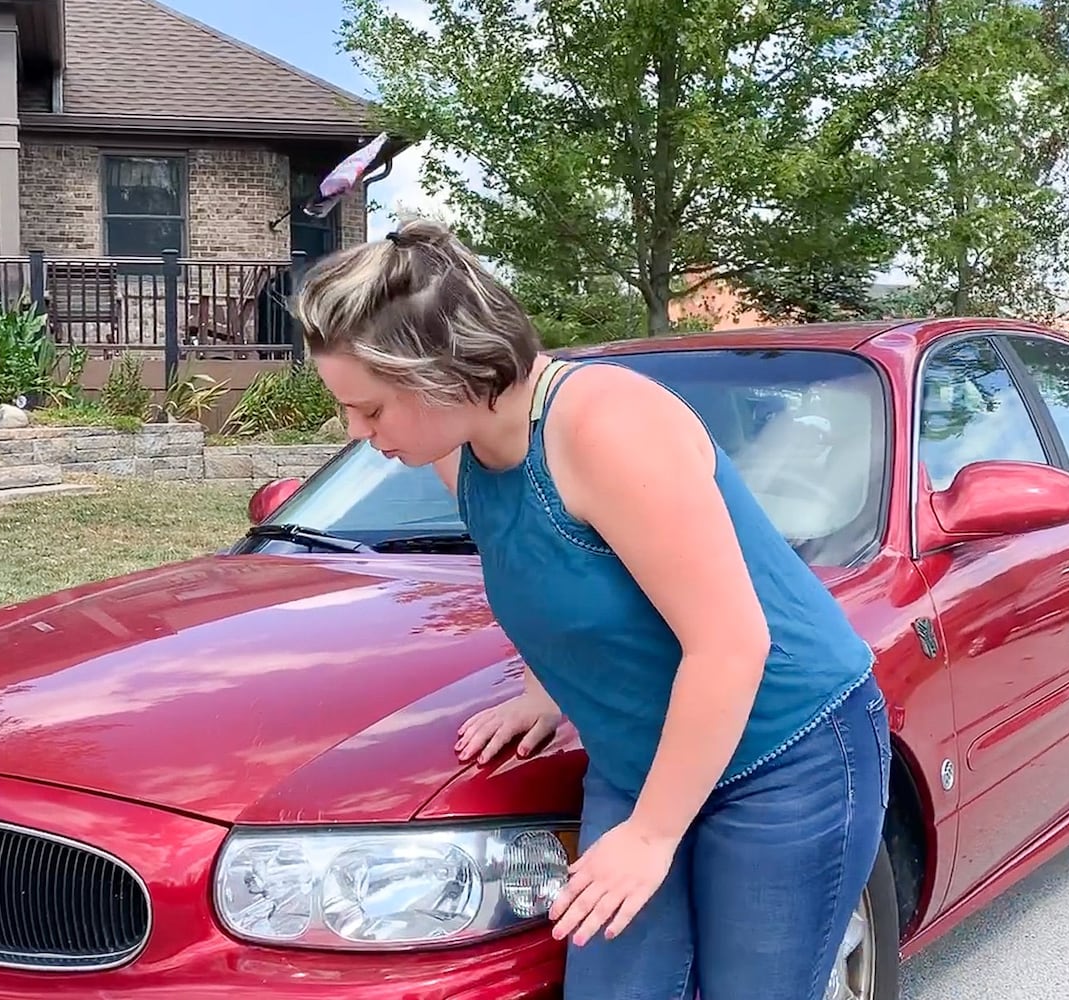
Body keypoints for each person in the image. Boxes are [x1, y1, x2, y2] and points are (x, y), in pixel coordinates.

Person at [291, 219, 891, 1000]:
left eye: (369, 410)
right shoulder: (454, 449)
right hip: (638, 761)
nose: (358, 434)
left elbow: (730, 643)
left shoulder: (604, 423)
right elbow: (558, 580)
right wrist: (547, 691)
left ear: (446, 372)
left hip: (785, 750)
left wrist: (649, 836)